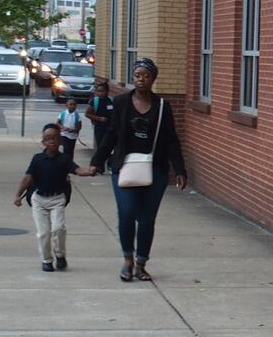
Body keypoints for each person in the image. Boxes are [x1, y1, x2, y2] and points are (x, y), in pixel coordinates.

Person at [86, 57, 187, 282]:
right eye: (137, 75)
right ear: (133, 78)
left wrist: (179, 169)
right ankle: (127, 260)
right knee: (128, 213)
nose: (141, 79)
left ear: (153, 79)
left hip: (155, 170)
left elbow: (171, 139)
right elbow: (111, 133)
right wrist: (97, 160)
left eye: (146, 76)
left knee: (147, 218)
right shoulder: (121, 102)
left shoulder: (162, 106)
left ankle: (141, 263)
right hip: (124, 167)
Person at [13, 125, 95, 273]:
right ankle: (47, 260)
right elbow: (28, 178)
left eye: (55, 138)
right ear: (43, 142)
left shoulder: (64, 159)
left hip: (57, 199)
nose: (51, 141)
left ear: (60, 141)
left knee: (59, 228)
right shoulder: (38, 159)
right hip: (39, 199)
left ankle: (60, 254)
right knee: (43, 232)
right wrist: (18, 195)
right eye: (48, 139)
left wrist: (89, 171)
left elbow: (77, 170)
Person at [87, 78, 113, 155]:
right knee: (100, 148)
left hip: (110, 129)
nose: (100, 93)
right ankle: (100, 165)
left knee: (108, 148)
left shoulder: (111, 101)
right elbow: (87, 114)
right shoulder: (94, 101)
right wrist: (99, 118)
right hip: (99, 128)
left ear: (107, 92)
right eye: (98, 91)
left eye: (102, 91)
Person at [56, 98, 84, 163]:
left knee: (71, 150)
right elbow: (57, 123)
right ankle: (65, 162)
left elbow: (79, 127)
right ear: (66, 105)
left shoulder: (77, 115)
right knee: (66, 149)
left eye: (74, 104)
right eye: (70, 104)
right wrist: (63, 127)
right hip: (64, 134)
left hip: (73, 136)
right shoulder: (63, 113)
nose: (72, 106)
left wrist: (74, 130)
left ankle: (69, 163)